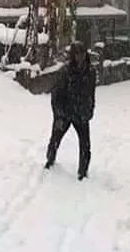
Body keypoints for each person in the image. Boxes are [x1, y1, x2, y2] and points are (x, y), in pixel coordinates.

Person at [45, 41, 96, 181]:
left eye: (82, 53)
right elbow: (56, 94)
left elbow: (91, 93)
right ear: (73, 56)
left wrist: (90, 109)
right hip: (65, 112)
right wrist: (60, 115)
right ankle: (50, 161)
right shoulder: (65, 72)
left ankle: (83, 172)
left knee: (85, 144)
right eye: (77, 54)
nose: (80, 57)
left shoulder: (91, 72)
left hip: (81, 113)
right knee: (56, 138)